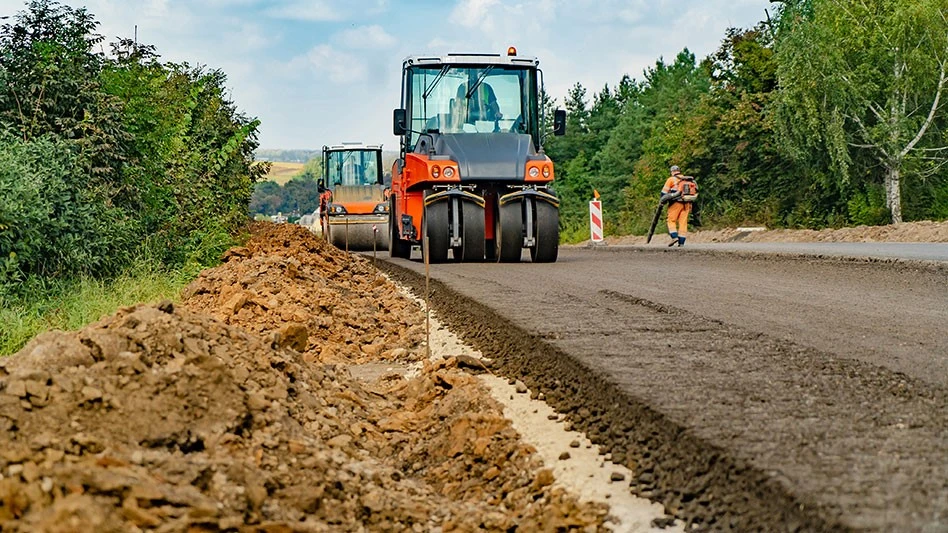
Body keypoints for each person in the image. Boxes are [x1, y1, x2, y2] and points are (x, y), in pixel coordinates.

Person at [661, 165, 698, 247]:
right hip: (687, 203)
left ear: (672, 172)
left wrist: (662, 202)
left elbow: (663, 193)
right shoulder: (687, 179)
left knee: (671, 220)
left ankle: (674, 237)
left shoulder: (671, 179)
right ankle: (681, 243)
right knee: (683, 223)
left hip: (676, 203)